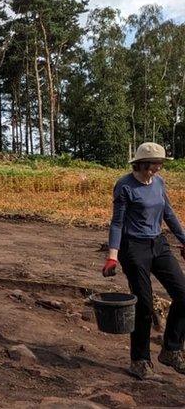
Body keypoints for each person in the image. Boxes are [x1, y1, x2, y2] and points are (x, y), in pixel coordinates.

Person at [102, 142, 185, 380]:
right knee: (144, 305)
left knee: (183, 294)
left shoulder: (158, 182)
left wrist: (184, 239)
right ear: (143, 163)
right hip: (133, 248)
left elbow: (168, 213)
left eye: (160, 164)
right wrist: (112, 256)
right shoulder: (125, 186)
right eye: (155, 164)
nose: (159, 168)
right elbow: (117, 223)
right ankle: (139, 361)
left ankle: (171, 350)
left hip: (158, 244)